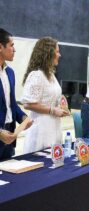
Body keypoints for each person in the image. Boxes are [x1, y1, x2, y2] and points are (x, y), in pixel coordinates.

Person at [21, 37, 69, 153]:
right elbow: (28, 104)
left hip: (53, 126)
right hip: (41, 129)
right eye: (57, 51)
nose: (60, 55)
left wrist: (62, 104)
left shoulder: (50, 75)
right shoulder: (37, 75)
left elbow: (52, 97)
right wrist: (52, 110)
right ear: (48, 53)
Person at [0, 28, 32, 160]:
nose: (14, 50)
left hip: (9, 136)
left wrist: (23, 118)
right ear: (0, 47)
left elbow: (11, 104)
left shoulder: (10, 73)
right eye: (12, 45)